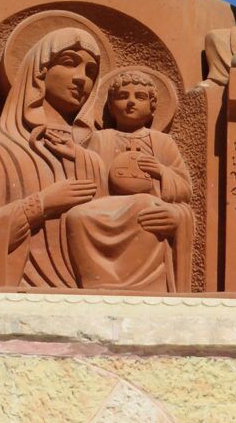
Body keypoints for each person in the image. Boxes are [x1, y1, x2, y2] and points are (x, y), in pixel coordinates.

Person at [0, 28, 106, 288]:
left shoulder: (91, 161)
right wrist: (40, 204)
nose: (82, 79)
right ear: (39, 72)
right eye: (69, 63)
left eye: (91, 72)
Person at [65, 70, 194, 293]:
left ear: (153, 106)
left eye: (140, 97)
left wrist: (161, 171)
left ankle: (146, 285)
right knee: (77, 216)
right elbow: (88, 174)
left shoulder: (162, 142)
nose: (131, 102)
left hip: (143, 205)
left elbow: (184, 190)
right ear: (112, 106)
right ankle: (98, 282)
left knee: (145, 206)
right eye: (123, 96)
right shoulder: (100, 138)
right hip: (106, 206)